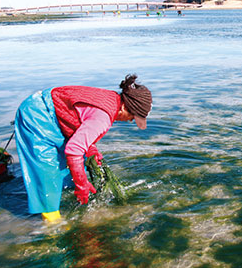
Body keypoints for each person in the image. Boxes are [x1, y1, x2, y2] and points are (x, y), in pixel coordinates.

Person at [14, 74, 152, 223]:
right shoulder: (104, 117)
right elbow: (73, 151)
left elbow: (81, 121)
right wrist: (82, 184)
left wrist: (91, 149)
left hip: (52, 111)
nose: (131, 121)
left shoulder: (112, 99)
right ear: (125, 107)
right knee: (48, 175)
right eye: (133, 116)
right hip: (38, 114)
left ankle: (63, 201)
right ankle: (53, 225)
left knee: (66, 170)